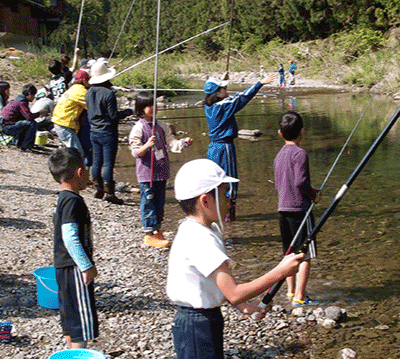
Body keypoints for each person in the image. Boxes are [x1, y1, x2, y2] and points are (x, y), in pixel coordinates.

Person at [166, 158, 305, 359]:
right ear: (205, 200)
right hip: (197, 324)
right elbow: (233, 291)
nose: (230, 200)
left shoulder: (197, 229)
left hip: (200, 321)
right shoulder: (201, 238)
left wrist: (244, 307)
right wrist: (280, 271)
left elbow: (216, 283)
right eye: (224, 193)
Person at [204, 72, 275, 221]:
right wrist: (260, 83)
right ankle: (229, 216)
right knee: (230, 179)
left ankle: (216, 213)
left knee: (216, 180)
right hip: (225, 147)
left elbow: (224, 98)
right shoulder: (224, 106)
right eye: (223, 88)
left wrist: (223, 81)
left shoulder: (209, 105)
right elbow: (242, 97)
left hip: (213, 148)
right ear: (217, 93)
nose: (226, 89)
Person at [47, 147, 98, 350]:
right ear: (80, 173)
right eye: (86, 169)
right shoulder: (72, 202)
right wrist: (86, 266)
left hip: (63, 267)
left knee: (69, 315)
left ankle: (73, 356)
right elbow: (70, 238)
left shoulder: (63, 198)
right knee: (80, 321)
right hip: (75, 267)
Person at [128, 92, 193, 249]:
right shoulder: (138, 128)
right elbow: (135, 152)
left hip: (161, 170)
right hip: (146, 172)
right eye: (148, 105)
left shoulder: (162, 125)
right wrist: (147, 146)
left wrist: (183, 143)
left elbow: (171, 142)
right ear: (141, 109)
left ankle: (157, 229)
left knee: (159, 201)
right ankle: (149, 233)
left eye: (154, 104)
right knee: (148, 200)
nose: (152, 108)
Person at [274, 111, 321, 306]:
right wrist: (314, 195)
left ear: (280, 133)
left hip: (282, 210)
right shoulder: (300, 153)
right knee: (304, 255)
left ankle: (291, 292)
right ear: (302, 131)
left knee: (289, 254)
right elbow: (300, 182)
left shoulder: (278, 155)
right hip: (300, 210)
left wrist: (309, 190)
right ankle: (300, 297)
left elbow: (282, 183)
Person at [86, 59, 133, 204]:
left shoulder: (89, 92)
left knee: (97, 162)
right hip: (107, 132)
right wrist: (129, 111)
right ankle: (109, 194)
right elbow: (113, 116)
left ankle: (98, 189)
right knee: (107, 164)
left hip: (94, 131)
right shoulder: (108, 94)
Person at [51, 69, 90, 159]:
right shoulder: (81, 92)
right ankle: (72, 172)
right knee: (78, 154)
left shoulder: (72, 88)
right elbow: (92, 107)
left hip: (59, 122)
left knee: (67, 153)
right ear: (84, 80)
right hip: (64, 125)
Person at [0, 83, 48, 151]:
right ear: (28, 94)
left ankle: (22, 144)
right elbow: (29, 117)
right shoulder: (22, 102)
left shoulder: (18, 100)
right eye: (33, 95)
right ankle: (26, 146)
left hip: (5, 124)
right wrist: (40, 113)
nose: (33, 98)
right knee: (31, 123)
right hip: (7, 127)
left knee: (25, 123)